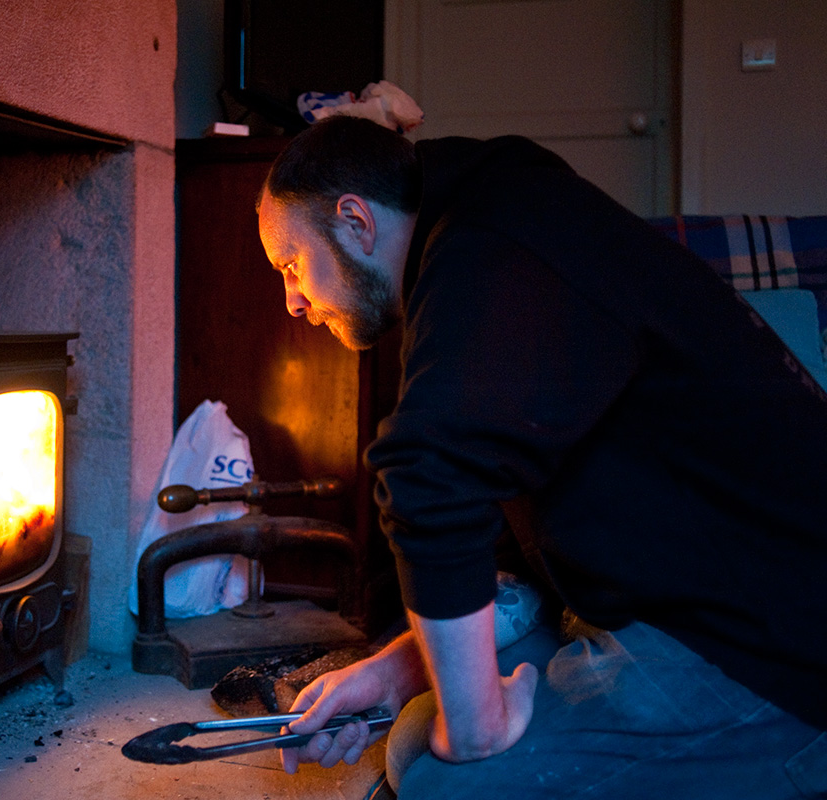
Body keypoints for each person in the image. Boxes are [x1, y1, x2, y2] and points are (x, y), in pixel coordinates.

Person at [256, 115, 827, 798]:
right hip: (665, 598)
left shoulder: (496, 244)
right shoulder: (473, 250)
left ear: (355, 221)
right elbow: (504, 550)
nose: (292, 301)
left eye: (291, 265)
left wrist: (479, 731)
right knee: (409, 743)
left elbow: (427, 480)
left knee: (454, 783)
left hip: (774, 646)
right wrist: (390, 671)